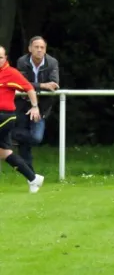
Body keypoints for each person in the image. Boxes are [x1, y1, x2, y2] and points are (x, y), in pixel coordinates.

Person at [0, 45, 45, 192]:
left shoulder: (11, 73)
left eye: (0, 57)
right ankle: (33, 178)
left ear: (5, 59)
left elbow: (29, 88)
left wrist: (35, 106)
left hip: (4, 116)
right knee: (4, 153)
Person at [13, 36, 60, 173]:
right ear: (30, 49)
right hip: (23, 104)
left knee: (36, 138)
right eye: (36, 47)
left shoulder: (52, 62)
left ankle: (9, 135)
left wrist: (37, 101)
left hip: (41, 107)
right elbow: (21, 84)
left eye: (42, 48)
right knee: (24, 143)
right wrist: (43, 85)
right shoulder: (22, 61)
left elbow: (54, 84)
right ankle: (30, 175)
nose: (39, 50)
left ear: (45, 50)